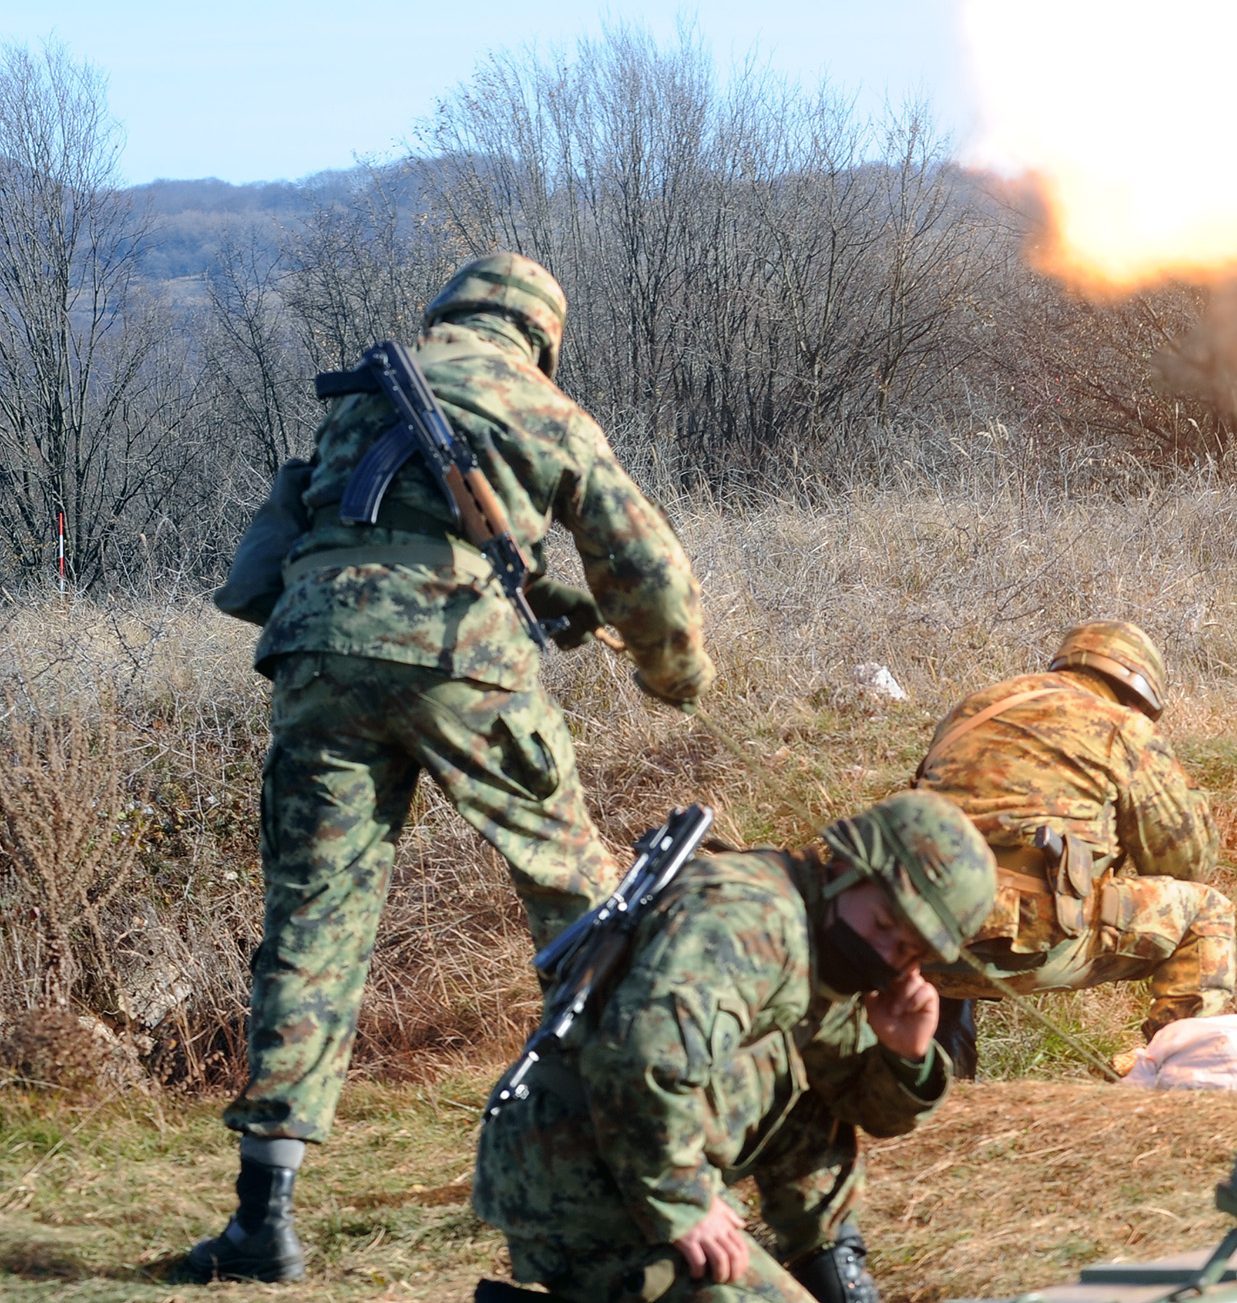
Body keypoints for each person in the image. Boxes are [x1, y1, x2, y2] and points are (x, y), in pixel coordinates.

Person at [184, 253, 715, 1284]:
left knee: (314, 917)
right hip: (460, 656)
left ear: (447, 313)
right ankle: (641, 1153)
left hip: (317, 657)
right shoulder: (543, 404)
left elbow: (288, 559)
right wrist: (678, 673)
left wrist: (531, 597)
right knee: (582, 899)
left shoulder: (365, 397)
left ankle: (264, 1214)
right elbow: (645, 569)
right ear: (542, 334)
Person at [470, 791, 998, 1303]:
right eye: (883, 923)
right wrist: (684, 1201)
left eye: (907, 949)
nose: (884, 953)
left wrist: (904, 1054)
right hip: (581, 1171)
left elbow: (857, 1103)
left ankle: (827, 1260)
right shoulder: (748, 919)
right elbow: (641, 1056)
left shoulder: (822, 941)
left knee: (811, 1087)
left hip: (652, 1150)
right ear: (845, 869)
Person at [912, 621, 1233, 1074]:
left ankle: (940, 1074)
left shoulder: (973, 709)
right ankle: (1180, 1079)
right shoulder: (1125, 728)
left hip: (919, 935)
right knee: (1206, 912)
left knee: (960, 900)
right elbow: (1187, 864)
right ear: (1140, 694)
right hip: (1034, 940)